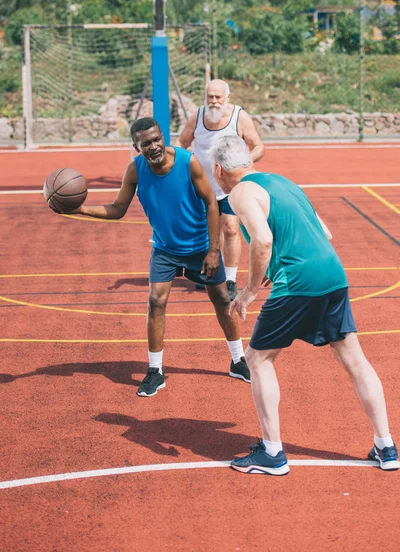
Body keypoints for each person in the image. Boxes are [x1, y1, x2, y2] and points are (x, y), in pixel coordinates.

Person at [211, 134, 398, 475]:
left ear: (219, 168)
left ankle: (272, 453)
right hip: (332, 274)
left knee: (257, 358)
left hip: (299, 282)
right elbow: (324, 232)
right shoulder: (283, 182)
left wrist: (251, 289)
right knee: (355, 360)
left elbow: (263, 240)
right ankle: (386, 447)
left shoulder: (239, 192)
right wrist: (274, 263)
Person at [71, 118, 250, 396]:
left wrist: (214, 251)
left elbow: (211, 203)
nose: (154, 146)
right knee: (156, 302)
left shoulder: (187, 162)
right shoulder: (135, 170)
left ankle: (238, 360)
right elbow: (118, 209)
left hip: (200, 247)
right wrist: (79, 210)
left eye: (157, 139)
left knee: (222, 300)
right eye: (146, 143)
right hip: (165, 249)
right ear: (136, 147)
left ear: (162, 137)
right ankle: (155, 371)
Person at [176, 79, 264, 301]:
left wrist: (240, 162)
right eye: (210, 97)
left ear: (228, 98)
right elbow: (181, 141)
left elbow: (259, 147)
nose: (214, 102)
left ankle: (231, 279)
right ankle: (212, 270)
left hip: (230, 185)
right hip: (204, 185)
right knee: (209, 230)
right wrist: (177, 161)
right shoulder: (197, 116)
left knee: (231, 228)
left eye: (218, 97)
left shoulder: (239, 117)